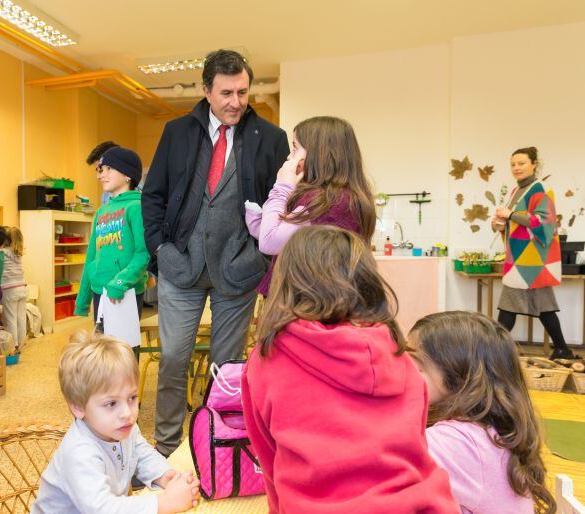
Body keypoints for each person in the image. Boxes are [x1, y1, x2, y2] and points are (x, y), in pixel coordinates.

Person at [241, 226, 458, 514]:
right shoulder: (401, 357)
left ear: (287, 282)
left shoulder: (266, 361)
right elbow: (416, 451)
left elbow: (268, 460)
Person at [141, 49, 289, 456]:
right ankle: (166, 448)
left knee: (226, 368)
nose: (236, 102)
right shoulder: (176, 132)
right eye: (226, 92)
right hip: (180, 266)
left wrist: (262, 257)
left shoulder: (270, 139)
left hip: (238, 271)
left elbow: (283, 201)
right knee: (172, 359)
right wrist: (160, 249)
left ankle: (215, 447)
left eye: (242, 92)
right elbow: (152, 196)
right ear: (207, 91)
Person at [32, 331, 200, 514]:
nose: (127, 413)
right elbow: (103, 509)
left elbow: (142, 454)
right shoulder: (79, 453)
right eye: (111, 403)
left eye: (132, 397)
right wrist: (162, 503)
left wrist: (165, 475)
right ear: (78, 407)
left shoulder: (120, 426)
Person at [408, 311, 555, 514]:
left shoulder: (461, 442)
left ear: (459, 375)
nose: (405, 369)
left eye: (417, 362)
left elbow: (379, 460)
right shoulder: (486, 430)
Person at [245, 116, 376, 295]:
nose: (290, 156)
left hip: (309, 300)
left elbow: (269, 242)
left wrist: (282, 186)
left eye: (295, 148)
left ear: (318, 153)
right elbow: (282, 234)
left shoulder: (323, 201)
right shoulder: (348, 196)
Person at [491, 147, 574, 359]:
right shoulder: (516, 191)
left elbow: (544, 224)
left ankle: (491, 353)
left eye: (521, 163)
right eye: (513, 164)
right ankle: (562, 349)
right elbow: (517, 222)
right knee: (543, 307)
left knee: (508, 308)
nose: (516, 168)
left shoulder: (539, 190)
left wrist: (510, 214)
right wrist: (501, 224)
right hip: (522, 258)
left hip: (531, 261)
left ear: (534, 164)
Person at [74, 147, 150, 348]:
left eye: (108, 169)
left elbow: (143, 253)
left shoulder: (137, 207)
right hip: (101, 291)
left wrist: (121, 282)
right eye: (101, 170)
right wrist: (83, 298)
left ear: (127, 175)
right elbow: (91, 257)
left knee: (123, 354)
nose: (101, 175)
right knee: (103, 356)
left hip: (125, 291)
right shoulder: (101, 212)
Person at [1, 226, 28, 348]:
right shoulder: (17, 253)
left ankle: (13, 345)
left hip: (10, 289)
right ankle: (21, 343)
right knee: (21, 317)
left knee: (10, 318)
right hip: (22, 287)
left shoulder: (1, 253)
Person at [87, 140, 119, 206]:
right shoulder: (106, 194)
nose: (98, 177)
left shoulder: (138, 199)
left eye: (101, 170)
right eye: (98, 170)